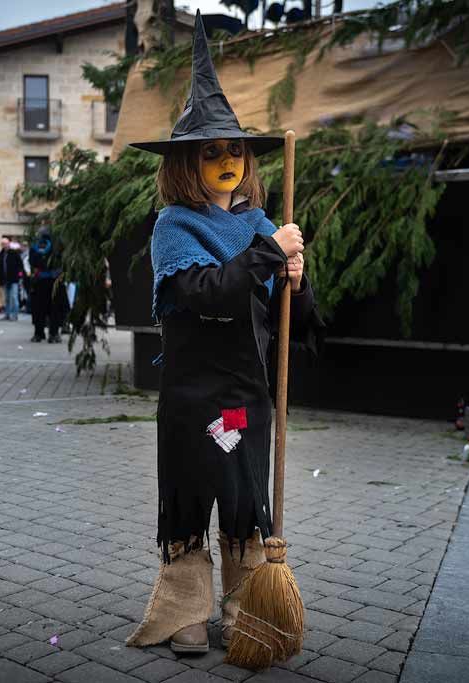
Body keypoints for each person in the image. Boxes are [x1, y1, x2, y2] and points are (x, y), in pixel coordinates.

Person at [124, 13, 322, 656]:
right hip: (191, 393)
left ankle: (242, 606)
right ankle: (185, 607)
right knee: (188, 497)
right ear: (188, 162)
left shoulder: (262, 223)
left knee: (240, 498)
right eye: (212, 151)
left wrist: (295, 275)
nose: (226, 160)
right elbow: (204, 294)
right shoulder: (172, 228)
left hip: (242, 393)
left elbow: (294, 319)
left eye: (234, 149)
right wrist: (269, 253)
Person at [28, 228, 66, 342]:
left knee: (38, 309)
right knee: (54, 309)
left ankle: (39, 334)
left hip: (40, 280)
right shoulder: (58, 246)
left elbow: (32, 262)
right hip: (54, 280)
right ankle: (53, 334)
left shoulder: (35, 247)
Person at [2, 241, 23, 321]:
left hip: (14, 279)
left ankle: (15, 315)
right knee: (7, 298)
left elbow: (20, 264)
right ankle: (7, 314)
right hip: (5, 279)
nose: (5, 245)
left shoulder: (14, 253)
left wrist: (19, 275)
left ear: (9, 244)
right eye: (3, 244)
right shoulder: (2, 254)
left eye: (6, 244)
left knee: (14, 297)